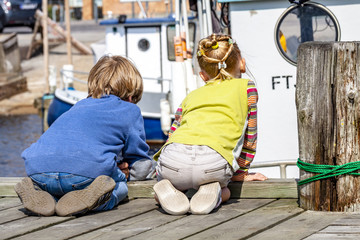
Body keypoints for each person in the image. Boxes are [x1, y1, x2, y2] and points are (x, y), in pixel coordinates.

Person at [14, 55, 152, 217]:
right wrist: (129, 173)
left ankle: (42, 195)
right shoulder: (130, 110)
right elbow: (140, 166)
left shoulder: (78, 106)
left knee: (66, 180)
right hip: (83, 175)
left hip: (38, 170)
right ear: (131, 96)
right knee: (120, 185)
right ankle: (95, 202)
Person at [153, 34, 267, 215]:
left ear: (203, 75)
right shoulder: (247, 88)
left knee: (171, 178)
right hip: (212, 164)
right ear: (242, 64)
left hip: (173, 161)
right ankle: (217, 193)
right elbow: (250, 137)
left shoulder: (190, 97)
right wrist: (241, 172)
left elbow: (173, 133)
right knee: (226, 190)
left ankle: (166, 190)